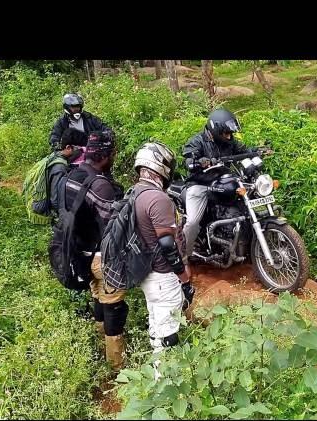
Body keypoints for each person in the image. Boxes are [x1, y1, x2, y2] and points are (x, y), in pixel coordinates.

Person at [63, 130, 126, 370]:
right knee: (114, 307)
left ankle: (100, 342)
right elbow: (113, 229)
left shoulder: (71, 176)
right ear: (106, 155)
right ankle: (116, 365)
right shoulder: (101, 185)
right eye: (113, 154)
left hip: (79, 253)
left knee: (98, 297)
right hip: (101, 258)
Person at [133, 142, 194, 354]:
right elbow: (167, 244)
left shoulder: (135, 192)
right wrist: (184, 277)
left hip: (147, 273)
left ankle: (155, 372)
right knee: (168, 333)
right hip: (162, 275)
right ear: (160, 165)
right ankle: (164, 379)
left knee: (157, 322)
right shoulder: (158, 198)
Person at [181, 108, 257, 257]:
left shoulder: (229, 142)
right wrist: (198, 162)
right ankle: (182, 258)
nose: (229, 137)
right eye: (226, 133)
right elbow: (189, 158)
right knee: (192, 223)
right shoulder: (197, 141)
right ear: (216, 130)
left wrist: (255, 152)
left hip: (223, 182)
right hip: (200, 185)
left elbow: (243, 152)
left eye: (231, 133)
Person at [46, 128, 88, 215]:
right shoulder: (60, 168)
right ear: (68, 148)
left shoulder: (57, 155)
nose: (83, 153)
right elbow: (55, 200)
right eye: (80, 150)